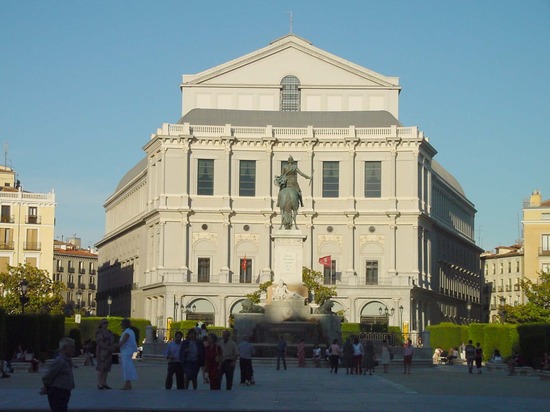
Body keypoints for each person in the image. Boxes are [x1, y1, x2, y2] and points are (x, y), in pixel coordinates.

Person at [40, 337, 75, 412]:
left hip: (64, 391)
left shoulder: (66, 360)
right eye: (71, 347)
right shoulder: (60, 361)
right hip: (58, 392)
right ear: (64, 348)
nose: (73, 349)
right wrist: (47, 387)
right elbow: (47, 376)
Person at [117, 318, 138, 390]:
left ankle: (127, 384)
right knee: (128, 367)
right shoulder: (131, 331)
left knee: (126, 367)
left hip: (126, 352)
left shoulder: (127, 332)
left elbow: (122, 342)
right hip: (128, 352)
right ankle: (128, 383)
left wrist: (113, 346)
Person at [95, 319, 114, 389]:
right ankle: (99, 383)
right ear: (101, 324)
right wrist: (107, 347)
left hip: (109, 352)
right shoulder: (99, 332)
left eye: (106, 323)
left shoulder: (109, 332)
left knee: (107, 367)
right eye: (104, 323)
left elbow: (112, 340)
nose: (106, 324)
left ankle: (104, 382)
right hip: (101, 351)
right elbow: (99, 342)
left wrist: (112, 347)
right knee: (101, 367)